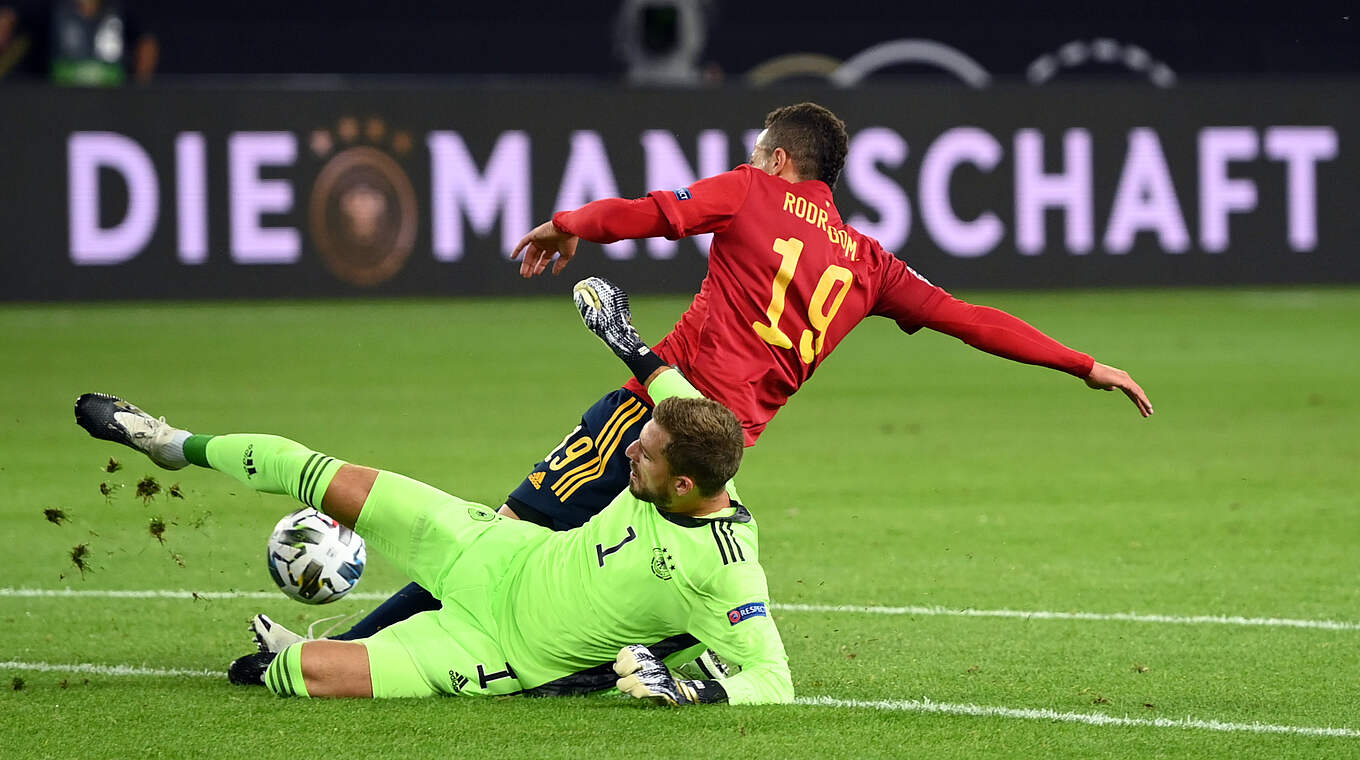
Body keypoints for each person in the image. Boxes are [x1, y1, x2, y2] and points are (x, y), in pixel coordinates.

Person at [323, 101, 1154, 643]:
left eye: (759, 149)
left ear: (783, 159)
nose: (752, 158)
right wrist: (1082, 364)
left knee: (497, 542)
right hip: (715, 458)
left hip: (647, 417)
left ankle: (347, 654)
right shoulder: (870, 266)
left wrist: (568, 223)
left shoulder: (754, 191)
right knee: (677, 590)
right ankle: (598, 664)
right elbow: (972, 320)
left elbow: (657, 212)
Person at [72, 289, 791, 704]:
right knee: (324, 474)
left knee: (298, 676)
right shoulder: (692, 437)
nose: (631, 449)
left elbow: (774, 678)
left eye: (648, 452)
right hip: (494, 548)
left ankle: (304, 652)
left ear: (688, 484)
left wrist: (700, 693)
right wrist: (624, 338)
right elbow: (667, 388)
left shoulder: (726, 564)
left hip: (500, 649)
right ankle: (174, 443)